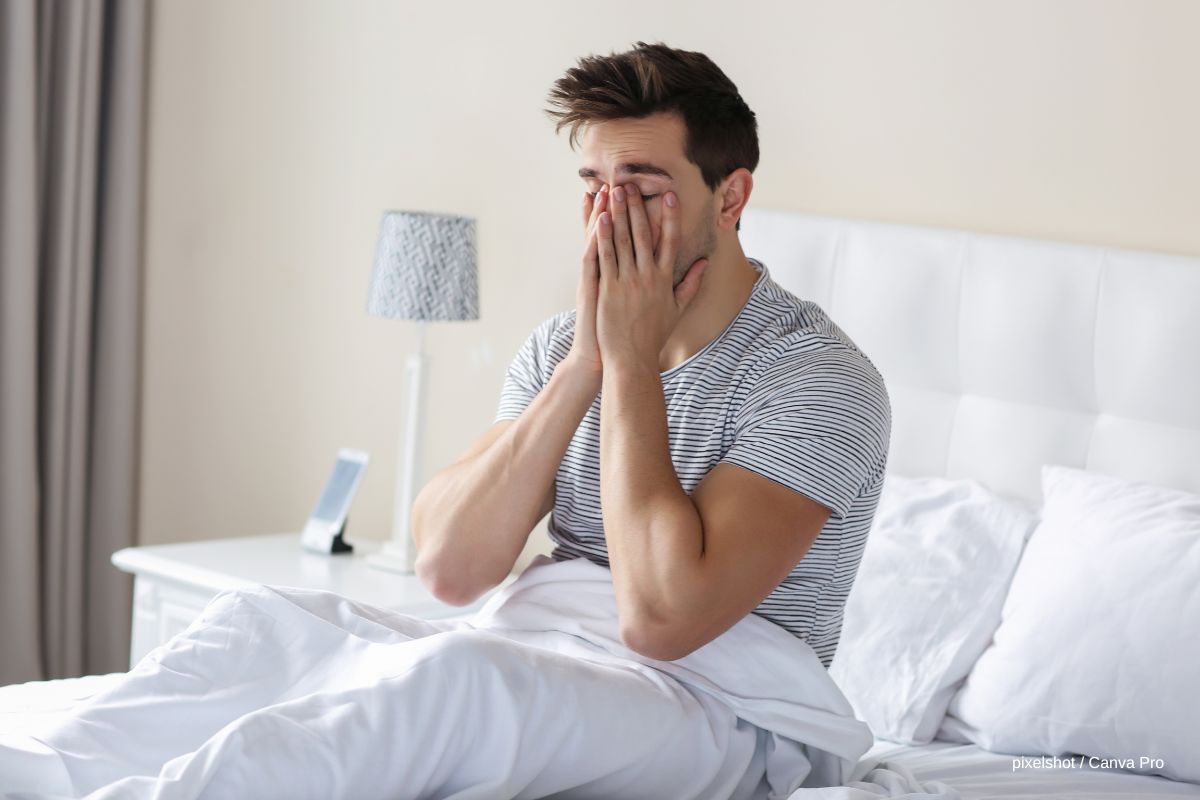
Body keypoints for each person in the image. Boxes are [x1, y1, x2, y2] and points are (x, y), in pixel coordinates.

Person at [0, 40, 889, 800]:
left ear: (729, 199)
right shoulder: (565, 348)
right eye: (593, 185)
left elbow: (663, 619)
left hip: (727, 707)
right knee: (265, 625)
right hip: (539, 641)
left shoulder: (818, 377)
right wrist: (585, 361)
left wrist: (627, 366)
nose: (609, 217)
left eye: (645, 188)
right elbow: (453, 568)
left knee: (455, 682)